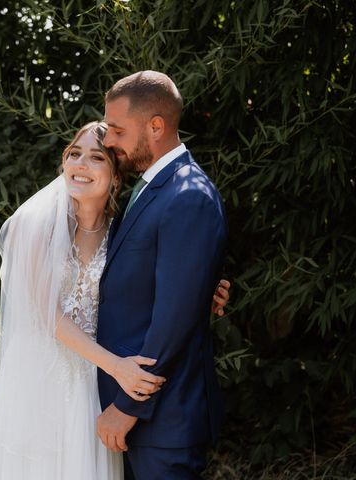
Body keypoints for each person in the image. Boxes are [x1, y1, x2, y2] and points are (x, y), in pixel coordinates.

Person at [0, 121, 230, 479]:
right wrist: (117, 366)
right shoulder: (32, 227)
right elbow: (48, 315)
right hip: (40, 384)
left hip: (95, 391)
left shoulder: (121, 232)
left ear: (115, 177)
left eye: (96, 157)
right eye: (74, 154)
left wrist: (201, 290)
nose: (80, 164)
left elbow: (153, 289)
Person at [96, 71, 227, 480]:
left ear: (156, 126)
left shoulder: (187, 195)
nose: (109, 140)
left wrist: (127, 407)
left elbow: (175, 320)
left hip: (161, 419)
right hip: (138, 417)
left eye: (118, 129)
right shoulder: (150, 188)